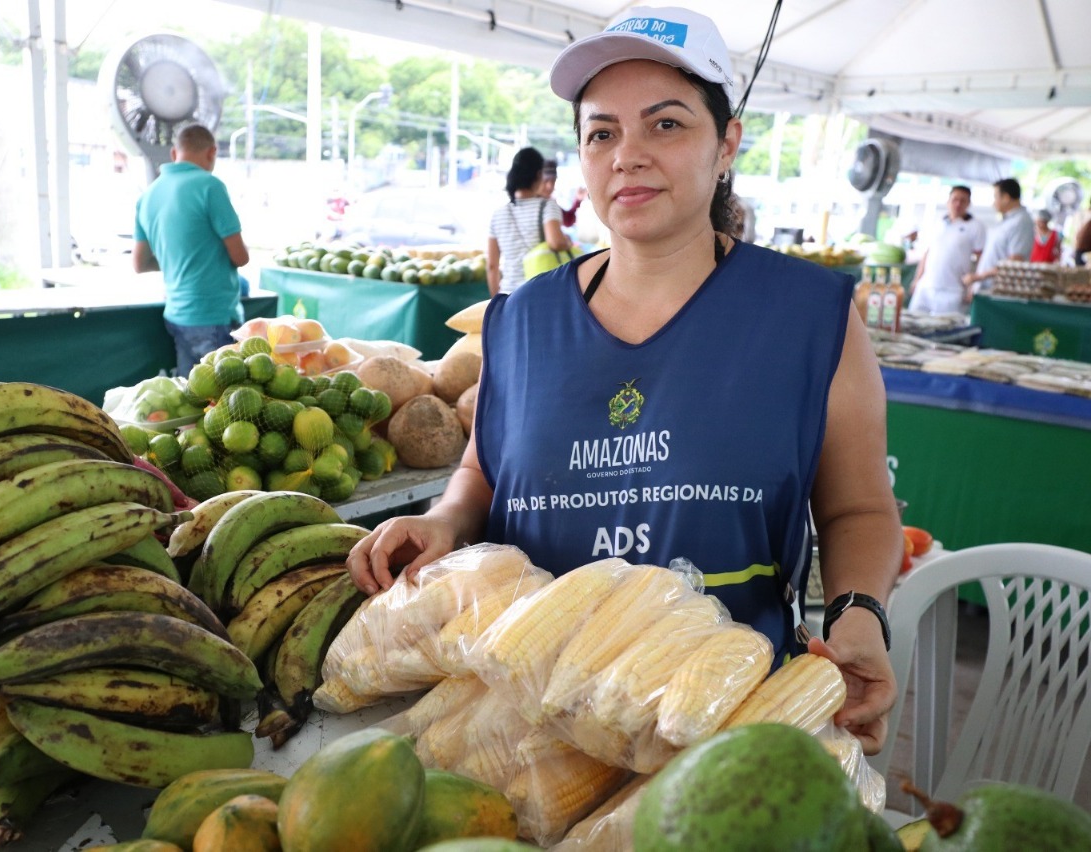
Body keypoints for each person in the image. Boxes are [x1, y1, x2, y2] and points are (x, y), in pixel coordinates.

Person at [347, 5, 902, 756]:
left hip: (718, 725)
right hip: (518, 724)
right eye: (602, 132)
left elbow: (859, 508)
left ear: (726, 144)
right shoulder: (521, 320)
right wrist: (445, 521)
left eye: (666, 125)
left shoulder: (810, 318)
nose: (627, 155)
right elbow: (482, 472)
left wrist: (858, 615)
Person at [133, 123, 250, 377]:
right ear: (212, 152)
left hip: (176, 316)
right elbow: (240, 257)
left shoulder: (148, 196)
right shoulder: (210, 186)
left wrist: (177, 257)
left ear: (174, 153)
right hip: (213, 316)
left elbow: (140, 264)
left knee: (191, 400)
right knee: (227, 404)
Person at [486, 147, 571, 296]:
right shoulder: (547, 206)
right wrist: (567, 242)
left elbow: (492, 266)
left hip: (508, 295)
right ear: (539, 174)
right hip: (537, 294)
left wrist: (496, 302)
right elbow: (556, 242)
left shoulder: (497, 215)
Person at [907, 185, 986, 316]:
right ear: (948, 201)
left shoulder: (975, 226)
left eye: (963, 200)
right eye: (955, 199)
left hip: (953, 290)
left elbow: (980, 258)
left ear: (968, 204)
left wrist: (974, 286)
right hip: (926, 286)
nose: (958, 204)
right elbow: (927, 253)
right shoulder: (938, 222)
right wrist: (917, 279)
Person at [961, 178, 1034, 300]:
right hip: (987, 289)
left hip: (999, 292)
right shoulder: (1007, 220)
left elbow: (1014, 261)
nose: (993, 203)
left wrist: (979, 277)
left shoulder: (1021, 222)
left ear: (1006, 197)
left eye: (995, 197)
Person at [541, 159, 587, 228]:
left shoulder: (550, 203)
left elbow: (568, 220)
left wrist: (578, 199)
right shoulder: (534, 203)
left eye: (553, 180)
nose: (550, 186)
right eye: (546, 180)